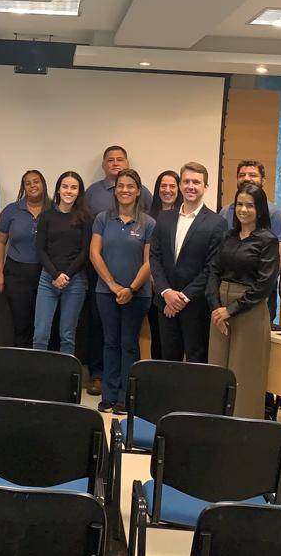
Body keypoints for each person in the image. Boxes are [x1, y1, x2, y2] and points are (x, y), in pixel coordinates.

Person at [84, 145, 153, 395]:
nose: (125, 190)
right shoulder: (103, 218)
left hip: (138, 294)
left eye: (130, 186)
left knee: (129, 344)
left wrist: (130, 289)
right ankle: (109, 393)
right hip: (106, 292)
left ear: (138, 191)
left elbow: (149, 262)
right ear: (115, 190)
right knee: (110, 343)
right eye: (121, 186)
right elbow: (94, 253)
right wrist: (113, 285)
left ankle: (126, 396)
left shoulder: (148, 223)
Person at [207, 183, 280, 418]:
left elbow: (264, 284)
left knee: (244, 375)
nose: (243, 209)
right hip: (219, 311)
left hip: (248, 311)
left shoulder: (267, 240)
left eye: (250, 205)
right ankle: (216, 423)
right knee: (217, 370)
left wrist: (231, 310)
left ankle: (242, 425)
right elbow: (213, 271)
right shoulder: (228, 236)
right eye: (239, 204)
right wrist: (216, 307)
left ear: (259, 209)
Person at [149, 161, 227, 362]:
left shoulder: (217, 223)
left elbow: (211, 267)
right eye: (186, 181)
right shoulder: (164, 218)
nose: (190, 186)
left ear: (205, 187)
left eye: (196, 182)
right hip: (165, 303)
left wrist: (182, 298)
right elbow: (155, 257)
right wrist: (166, 292)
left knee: (196, 361)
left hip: (196, 306)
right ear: (180, 185)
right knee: (168, 361)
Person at [219, 160, 281, 322]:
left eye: (253, 175)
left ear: (263, 180)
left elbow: (279, 258)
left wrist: (259, 292)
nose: (247, 178)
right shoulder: (225, 211)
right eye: (242, 175)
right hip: (226, 290)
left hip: (257, 294)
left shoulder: (275, 214)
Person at [33, 171, 92, 356]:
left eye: (73, 187)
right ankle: (37, 371)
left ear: (79, 192)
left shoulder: (85, 218)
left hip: (75, 281)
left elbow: (85, 252)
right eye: (65, 186)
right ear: (58, 189)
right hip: (47, 279)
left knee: (67, 335)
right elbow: (40, 250)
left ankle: (66, 373)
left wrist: (66, 275)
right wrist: (55, 275)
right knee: (40, 334)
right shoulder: (46, 216)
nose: (69, 191)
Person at [0, 170, 50, 347]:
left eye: (36, 181)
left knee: (44, 323)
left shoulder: (54, 210)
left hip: (47, 273)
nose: (33, 185)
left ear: (43, 184)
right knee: (21, 322)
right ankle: (21, 360)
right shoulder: (12, 210)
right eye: (28, 183)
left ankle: (43, 360)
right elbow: (0, 242)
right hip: (16, 273)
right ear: (23, 187)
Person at [147, 170, 181, 357]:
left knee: (176, 342)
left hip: (180, 292)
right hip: (154, 289)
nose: (167, 190)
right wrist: (159, 286)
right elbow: (150, 255)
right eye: (163, 186)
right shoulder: (148, 217)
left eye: (172, 186)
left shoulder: (185, 217)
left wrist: (171, 292)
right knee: (157, 337)